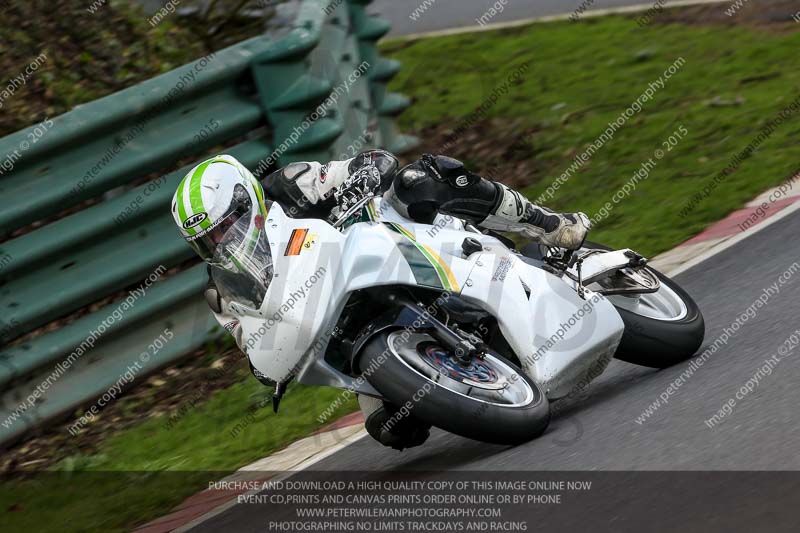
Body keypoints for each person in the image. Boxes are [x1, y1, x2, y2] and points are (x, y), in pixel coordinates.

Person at [170, 150, 589, 450]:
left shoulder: (288, 185)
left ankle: (548, 224)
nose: (220, 241)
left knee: (421, 180)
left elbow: (370, 163)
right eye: (206, 240)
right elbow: (253, 347)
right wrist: (267, 361)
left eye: (224, 227)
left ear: (247, 199)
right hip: (350, 329)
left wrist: (363, 175)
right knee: (390, 429)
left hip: (393, 248)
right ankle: (459, 377)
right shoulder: (223, 291)